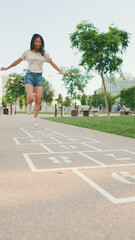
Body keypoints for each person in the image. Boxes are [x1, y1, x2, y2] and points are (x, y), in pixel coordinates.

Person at [1, 33, 70, 126]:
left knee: (38, 99)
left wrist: (62, 72)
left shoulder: (44, 54)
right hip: (29, 75)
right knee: (31, 98)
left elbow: (52, 63)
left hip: (39, 77)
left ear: (42, 43)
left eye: (40, 42)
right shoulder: (27, 52)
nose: (38, 43)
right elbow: (17, 61)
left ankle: (34, 119)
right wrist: (7, 68)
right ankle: (29, 105)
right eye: (36, 41)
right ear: (33, 42)